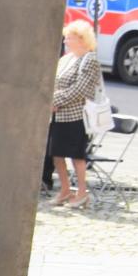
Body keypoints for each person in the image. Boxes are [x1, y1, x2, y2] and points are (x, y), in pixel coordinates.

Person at [47, 21, 103, 208]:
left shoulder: (90, 59)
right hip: (58, 115)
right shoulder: (66, 59)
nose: (66, 40)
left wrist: (55, 101)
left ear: (81, 39)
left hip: (76, 116)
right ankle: (65, 190)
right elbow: (55, 82)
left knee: (76, 155)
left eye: (69, 37)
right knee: (56, 154)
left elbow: (81, 89)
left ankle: (81, 192)